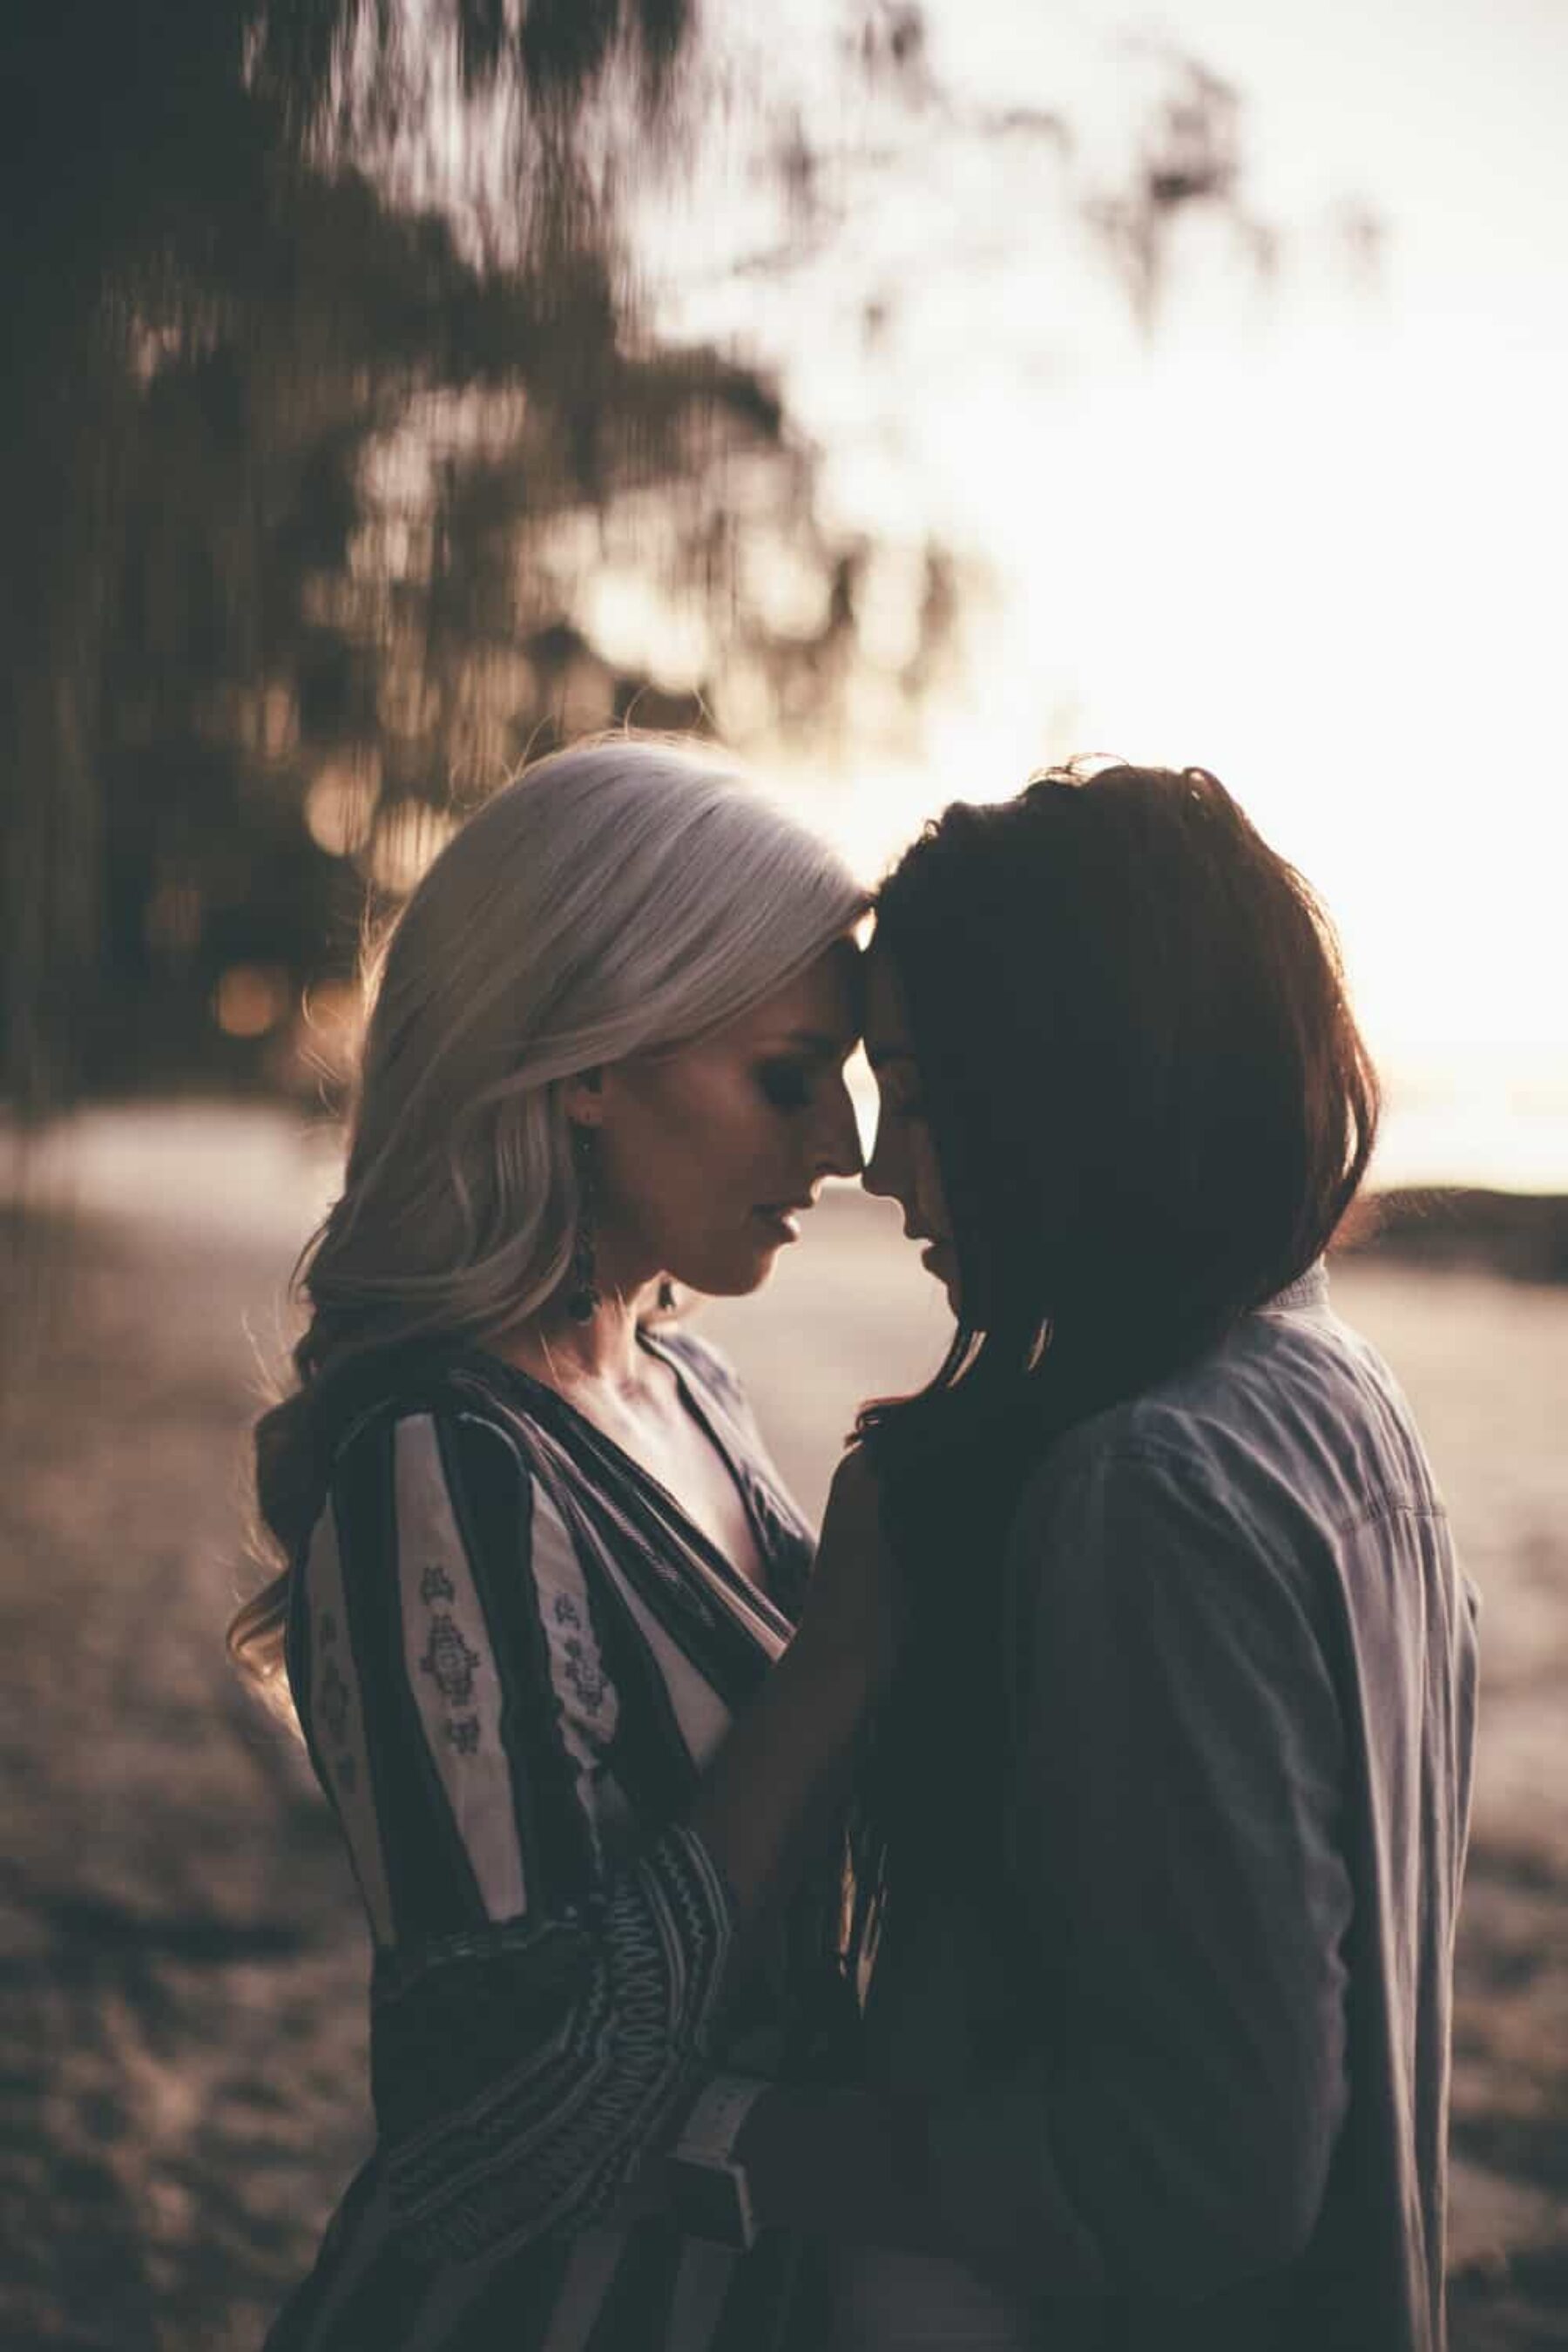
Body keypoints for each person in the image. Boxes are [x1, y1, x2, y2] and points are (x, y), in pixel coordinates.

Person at [719, 763, 1478, 2352]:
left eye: (920, 1092)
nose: (876, 1165)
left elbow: (1199, 2170)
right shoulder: (1332, 1391)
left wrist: (763, 2145)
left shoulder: (1154, 1490)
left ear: (1069, 1089)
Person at [233, 735, 895, 2351]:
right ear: (588, 1062)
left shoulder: (693, 1385)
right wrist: (852, 1656)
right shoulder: (438, 1468)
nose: (850, 1151)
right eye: (789, 1075)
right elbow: (483, 2142)